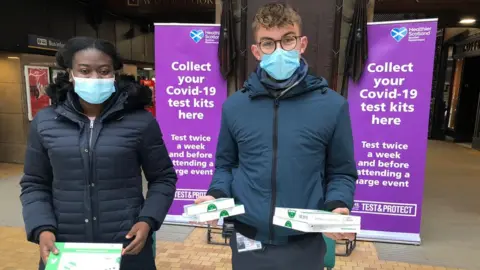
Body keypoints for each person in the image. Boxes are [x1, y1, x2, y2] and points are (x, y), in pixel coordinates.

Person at [195, 3, 357, 269]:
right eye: (268, 43)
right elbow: (226, 165)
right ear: (257, 51)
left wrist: (337, 206)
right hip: (248, 239)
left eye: (288, 40)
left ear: (302, 44)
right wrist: (216, 195)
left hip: (303, 242)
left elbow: (341, 171)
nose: (279, 50)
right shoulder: (235, 107)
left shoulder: (332, 106)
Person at [19, 37, 177, 270]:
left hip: (125, 247)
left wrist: (147, 221)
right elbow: (34, 183)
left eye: (104, 71)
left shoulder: (140, 121)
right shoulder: (45, 122)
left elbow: (163, 178)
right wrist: (41, 228)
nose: (95, 78)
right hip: (65, 249)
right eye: (84, 71)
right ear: (70, 73)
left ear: (114, 74)